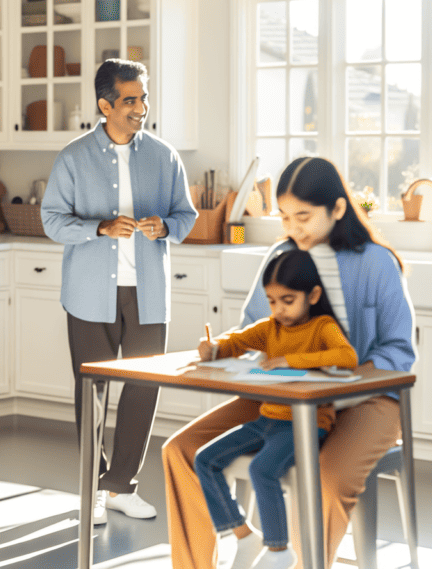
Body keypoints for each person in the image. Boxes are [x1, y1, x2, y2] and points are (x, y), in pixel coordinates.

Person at [162, 156, 416, 569]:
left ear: (336, 209)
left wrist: (339, 378)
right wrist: (220, 349)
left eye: (303, 216)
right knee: (182, 450)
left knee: (326, 480)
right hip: (282, 393)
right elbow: (252, 329)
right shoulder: (282, 255)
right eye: (284, 217)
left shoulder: (376, 262)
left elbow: (398, 352)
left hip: (368, 398)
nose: (292, 228)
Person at [41, 59, 198, 525]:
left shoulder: (165, 156)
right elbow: (52, 221)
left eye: (144, 98)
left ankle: (121, 487)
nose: (140, 108)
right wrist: (99, 228)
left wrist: (165, 226)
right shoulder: (73, 157)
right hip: (90, 294)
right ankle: (92, 489)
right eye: (130, 99)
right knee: (93, 390)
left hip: (148, 294)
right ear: (105, 104)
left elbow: (185, 218)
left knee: (144, 388)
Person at [194, 249, 358, 569]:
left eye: (287, 300)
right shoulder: (270, 328)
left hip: (306, 423)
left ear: (313, 295)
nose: (279, 309)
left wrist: (290, 360)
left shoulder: (322, 326)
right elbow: (236, 343)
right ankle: (243, 536)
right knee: (205, 459)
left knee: (261, 470)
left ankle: (279, 550)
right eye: (271, 301)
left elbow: (347, 356)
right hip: (267, 419)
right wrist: (213, 349)